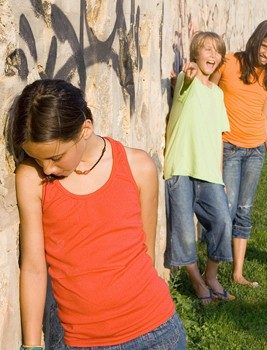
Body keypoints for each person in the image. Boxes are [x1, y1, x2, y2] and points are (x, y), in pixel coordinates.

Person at [5, 79, 186, 349]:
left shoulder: (139, 167)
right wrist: (31, 345)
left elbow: (145, 252)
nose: (48, 169)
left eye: (55, 157)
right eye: (38, 158)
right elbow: (33, 268)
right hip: (81, 342)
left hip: (156, 333)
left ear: (84, 130)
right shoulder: (32, 178)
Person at [210, 20, 267, 288]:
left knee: (244, 210)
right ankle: (213, 271)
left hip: (255, 150)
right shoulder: (229, 62)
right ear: (255, 40)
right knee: (226, 210)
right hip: (229, 147)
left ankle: (238, 273)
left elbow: (265, 117)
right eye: (264, 46)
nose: (266, 54)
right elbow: (207, 93)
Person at [164, 31, 234, 303]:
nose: (213, 55)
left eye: (217, 51)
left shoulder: (217, 94)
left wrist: (220, 175)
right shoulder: (186, 80)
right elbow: (183, 84)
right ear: (195, 54)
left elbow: (218, 137)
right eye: (207, 49)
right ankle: (196, 283)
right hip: (181, 165)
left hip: (209, 172)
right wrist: (188, 74)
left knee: (222, 222)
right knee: (183, 228)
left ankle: (211, 276)